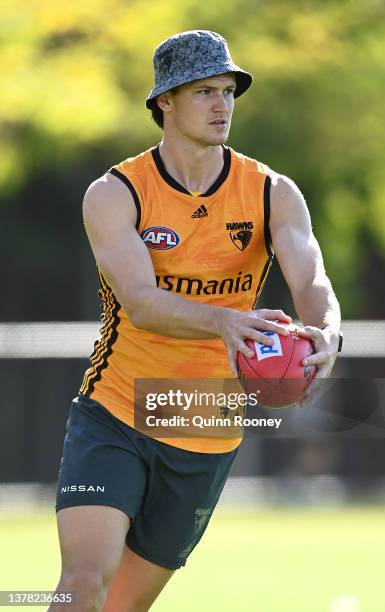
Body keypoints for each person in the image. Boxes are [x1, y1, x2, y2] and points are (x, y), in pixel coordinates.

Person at [51, 30, 342, 611]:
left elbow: (311, 281)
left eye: (229, 91)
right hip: (116, 410)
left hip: (207, 420)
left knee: (125, 605)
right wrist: (225, 323)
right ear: (165, 102)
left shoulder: (270, 191)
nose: (222, 105)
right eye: (205, 91)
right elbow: (140, 300)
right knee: (85, 583)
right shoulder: (116, 193)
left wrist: (328, 333)